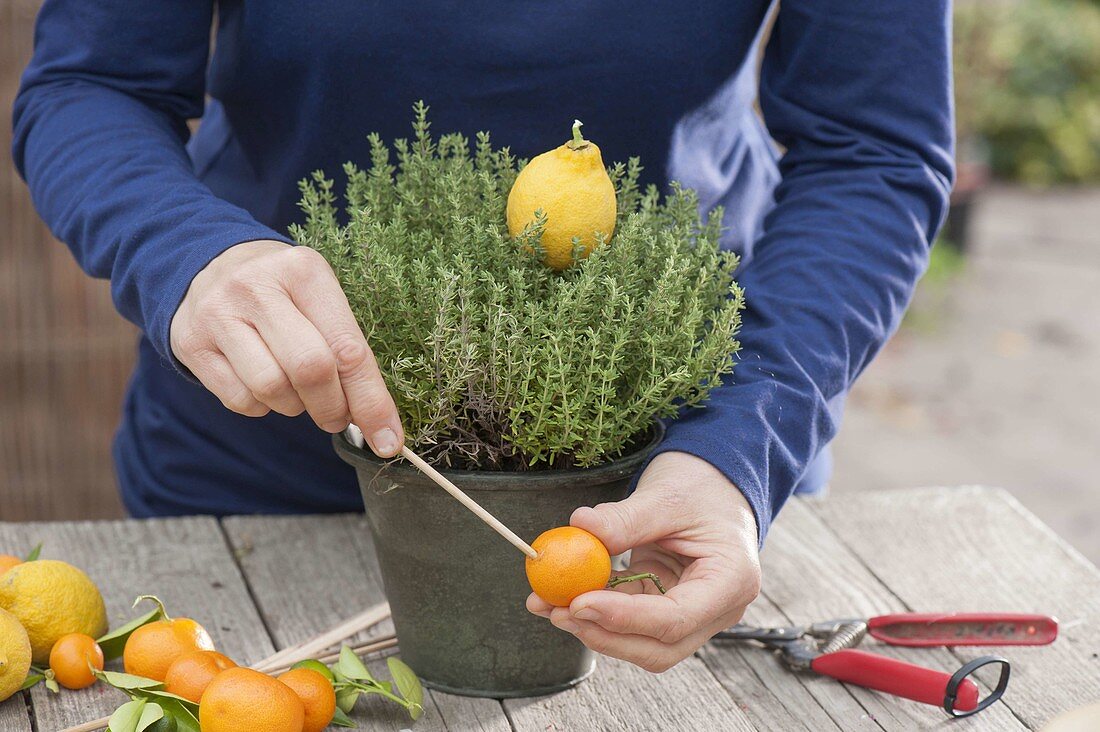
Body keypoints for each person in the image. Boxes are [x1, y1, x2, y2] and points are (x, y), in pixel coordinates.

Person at [13, 1, 953, 673]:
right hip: (263, 460)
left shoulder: (703, 461)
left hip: (661, 497)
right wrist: (188, 254)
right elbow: (91, 81)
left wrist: (742, 442)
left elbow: (872, 147)